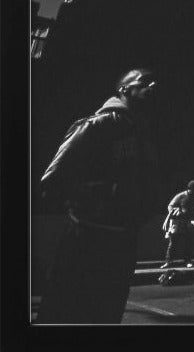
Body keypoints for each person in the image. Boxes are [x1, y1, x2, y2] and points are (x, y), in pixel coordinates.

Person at [35, 69, 163, 324]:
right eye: (144, 81)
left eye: (155, 82)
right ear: (124, 89)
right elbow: (52, 180)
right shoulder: (96, 125)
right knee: (63, 315)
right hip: (87, 242)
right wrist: (105, 195)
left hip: (123, 244)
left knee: (107, 316)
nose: (153, 85)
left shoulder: (144, 136)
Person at [162, 180, 194, 268]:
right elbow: (170, 205)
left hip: (190, 222)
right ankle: (168, 261)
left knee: (189, 242)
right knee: (173, 243)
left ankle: (188, 261)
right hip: (178, 222)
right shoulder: (181, 196)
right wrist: (175, 211)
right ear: (190, 188)